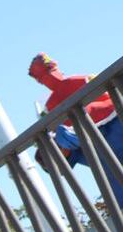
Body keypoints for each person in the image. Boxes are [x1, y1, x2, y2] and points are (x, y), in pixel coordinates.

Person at [30, 53, 123, 206]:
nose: (49, 76)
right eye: (42, 75)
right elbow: (55, 162)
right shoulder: (49, 108)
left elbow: (114, 97)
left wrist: (89, 112)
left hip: (115, 126)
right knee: (113, 175)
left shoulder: (82, 80)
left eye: (48, 70)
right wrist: (60, 141)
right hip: (96, 147)